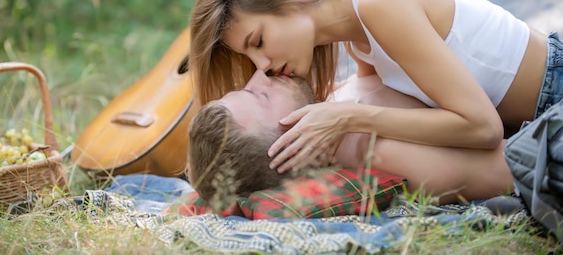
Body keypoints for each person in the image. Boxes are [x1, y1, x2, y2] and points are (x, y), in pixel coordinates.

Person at [189, 0, 563, 174]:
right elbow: (373, 95)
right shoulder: (359, 37)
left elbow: (483, 130)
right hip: (539, 118)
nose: (262, 66)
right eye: (248, 55)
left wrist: (349, 117)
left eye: (258, 41)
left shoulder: (379, 4)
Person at [186, 70, 513, 205]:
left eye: (247, 86)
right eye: (262, 97)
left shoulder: (334, 112)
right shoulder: (383, 153)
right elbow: (510, 166)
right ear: (296, 151)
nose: (261, 74)